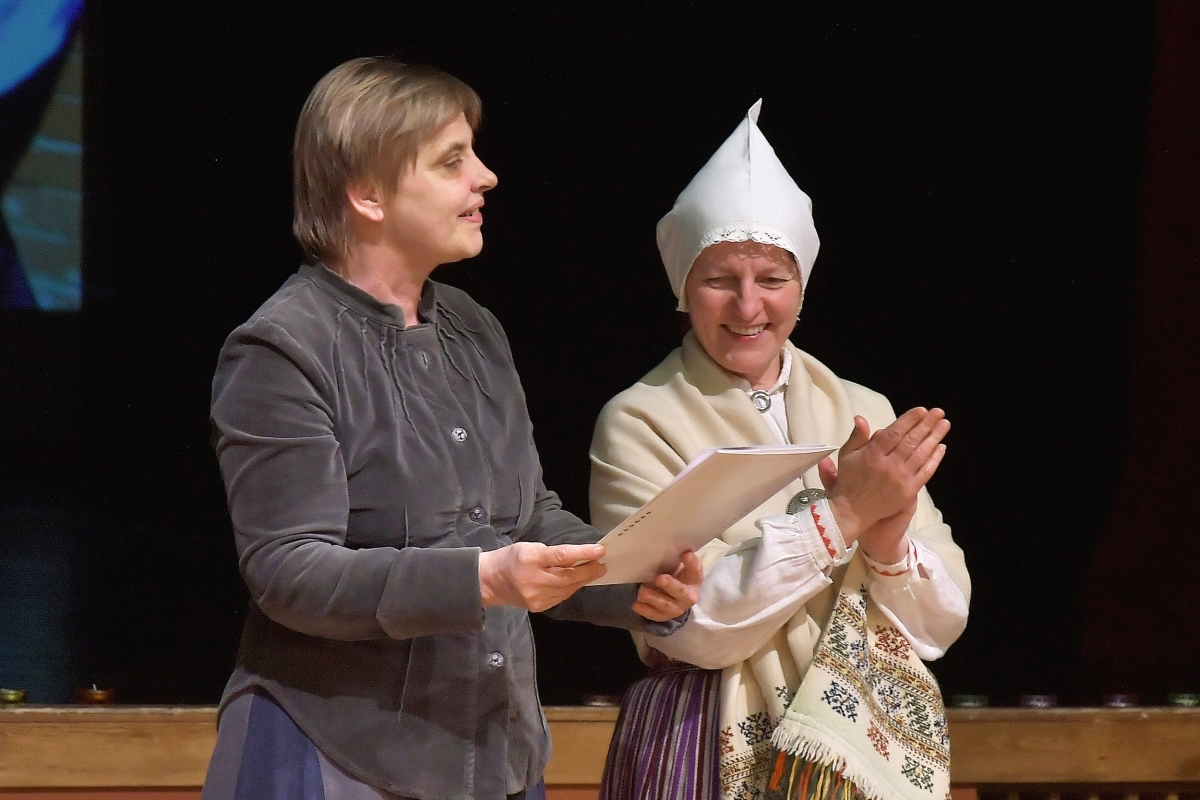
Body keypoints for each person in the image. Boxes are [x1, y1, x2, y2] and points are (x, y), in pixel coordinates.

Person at [200, 57, 701, 800]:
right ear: (368, 194)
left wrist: (630, 581)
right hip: (339, 756)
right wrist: (483, 578)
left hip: (493, 755)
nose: (485, 177)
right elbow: (290, 572)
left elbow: (527, 520)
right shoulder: (283, 348)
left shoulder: (472, 327)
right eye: (451, 161)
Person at [590, 101, 971, 800]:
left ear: (802, 286)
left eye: (771, 280)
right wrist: (843, 516)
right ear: (682, 288)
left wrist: (888, 546)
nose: (748, 307)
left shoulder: (862, 409)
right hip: (702, 742)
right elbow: (690, 625)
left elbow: (940, 624)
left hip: (857, 746)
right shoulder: (640, 420)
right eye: (718, 281)